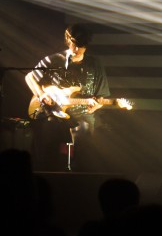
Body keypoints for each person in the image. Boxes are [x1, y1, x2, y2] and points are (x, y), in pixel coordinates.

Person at [25, 24, 111, 171]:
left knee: (84, 132)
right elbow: (29, 77)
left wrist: (97, 104)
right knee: (47, 131)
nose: (76, 50)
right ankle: (44, 173)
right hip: (52, 112)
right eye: (74, 45)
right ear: (68, 41)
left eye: (81, 46)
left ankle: (78, 175)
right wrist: (42, 94)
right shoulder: (53, 60)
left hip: (82, 113)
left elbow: (102, 95)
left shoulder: (95, 64)